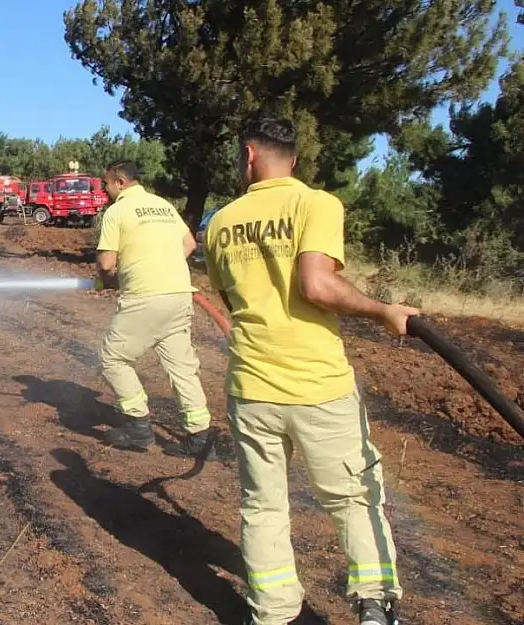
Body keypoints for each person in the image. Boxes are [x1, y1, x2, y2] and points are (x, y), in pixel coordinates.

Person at [203, 113, 417, 625]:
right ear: (292, 158)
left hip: (252, 386)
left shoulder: (221, 222)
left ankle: (273, 611)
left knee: (263, 505)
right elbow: (318, 287)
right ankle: (373, 605)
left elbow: (231, 300)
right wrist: (384, 310)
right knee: (352, 496)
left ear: (248, 155)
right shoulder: (316, 203)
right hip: (317, 386)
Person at [93, 158, 213, 457]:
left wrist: (113, 279)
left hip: (145, 298)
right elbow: (188, 244)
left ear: (120, 182)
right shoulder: (163, 206)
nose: (105, 190)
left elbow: (106, 264)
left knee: (112, 358)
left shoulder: (117, 211)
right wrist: (161, 265)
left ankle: (138, 427)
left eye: (106, 184)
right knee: (182, 367)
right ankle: (200, 437)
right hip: (179, 295)